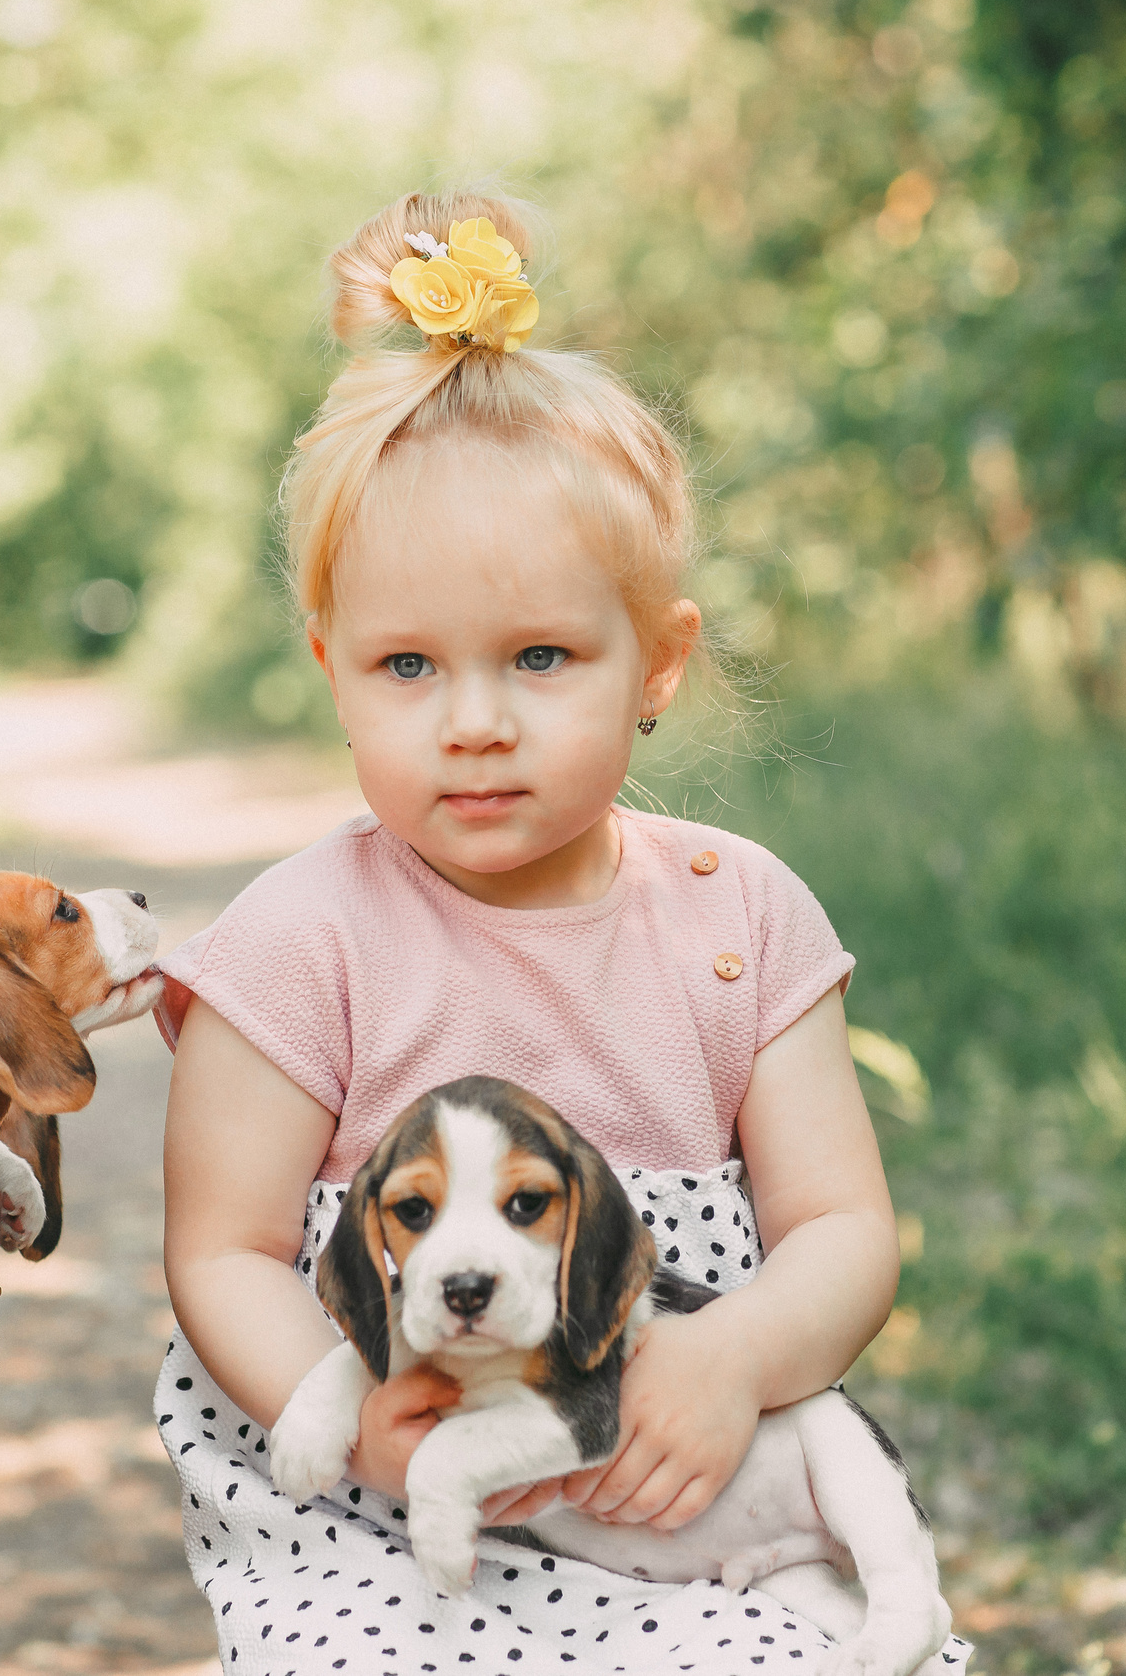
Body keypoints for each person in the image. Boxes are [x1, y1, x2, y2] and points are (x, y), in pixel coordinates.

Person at [154, 188, 968, 1674]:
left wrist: (731, 1356)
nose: (474, 723)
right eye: (408, 665)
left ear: (657, 662)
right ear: (333, 671)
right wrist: (372, 1433)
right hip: (384, 1521)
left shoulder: (738, 922)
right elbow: (223, 1253)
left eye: (540, 657)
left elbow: (843, 1231)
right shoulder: (302, 940)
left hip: (682, 1487)